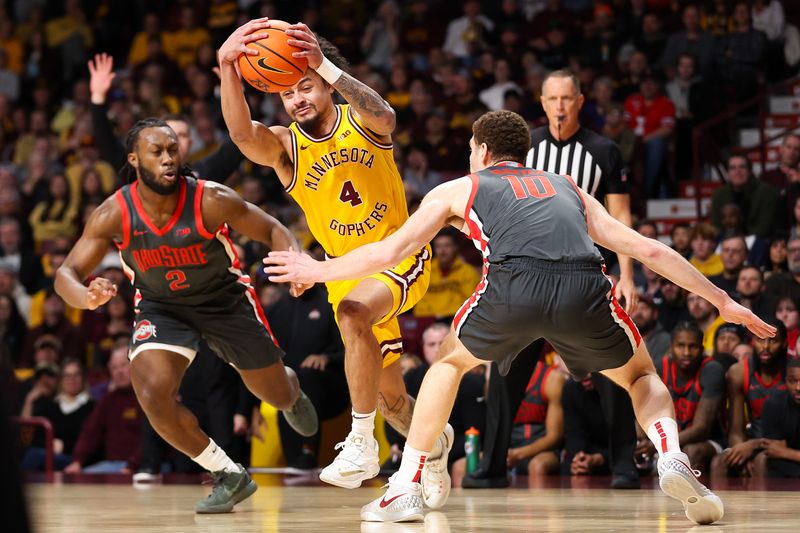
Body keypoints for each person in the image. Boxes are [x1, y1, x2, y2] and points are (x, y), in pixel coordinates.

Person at [265, 110, 776, 524]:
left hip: (514, 286)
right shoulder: (567, 186)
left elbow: (387, 251)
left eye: (471, 148)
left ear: (483, 152)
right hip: (584, 286)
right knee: (640, 374)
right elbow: (649, 250)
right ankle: (669, 453)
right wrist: (722, 301)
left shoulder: (459, 188)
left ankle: (406, 486)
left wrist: (319, 266)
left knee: (447, 365)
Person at [218, 18, 450, 503]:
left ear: (325, 84)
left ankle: (361, 444)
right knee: (390, 399)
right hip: (344, 271)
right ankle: (432, 449)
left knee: (351, 314)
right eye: (288, 94)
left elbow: (385, 115)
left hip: (398, 256)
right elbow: (241, 136)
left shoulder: (360, 117)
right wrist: (226, 67)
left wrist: (323, 63)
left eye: (307, 87)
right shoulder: (286, 148)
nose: (298, 99)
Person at [54, 118, 318, 513]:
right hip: (163, 307)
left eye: (173, 150)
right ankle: (228, 475)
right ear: (134, 159)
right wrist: (86, 296)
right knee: (152, 395)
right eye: (156, 152)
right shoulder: (114, 212)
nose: (168, 159)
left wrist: (293, 262)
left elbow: (273, 228)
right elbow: (66, 275)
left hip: (223, 302)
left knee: (273, 392)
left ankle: (290, 390)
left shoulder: (210, 199)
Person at [520, 69, 641, 490]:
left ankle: (625, 462)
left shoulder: (604, 150)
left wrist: (627, 274)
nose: (559, 106)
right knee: (505, 363)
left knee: (612, 365)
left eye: (567, 99)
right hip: (529, 273)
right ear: (542, 101)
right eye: (552, 99)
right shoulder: (524, 146)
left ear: (580, 100)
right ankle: (491, 466)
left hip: (588, 273)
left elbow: (621, 219)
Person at [712, 320, 787, 477]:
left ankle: (767, 502)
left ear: (785, 343)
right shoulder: (739, 372)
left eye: (772, 340)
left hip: (786, 443)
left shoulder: (793, 373)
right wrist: (741, 453)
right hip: (754, 438)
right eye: (760, 339)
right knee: (719, 463)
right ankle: (717, 503)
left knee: (762, 461)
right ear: (753, 341)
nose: (765, 346)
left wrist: (754, 445)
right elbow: (736, 429)